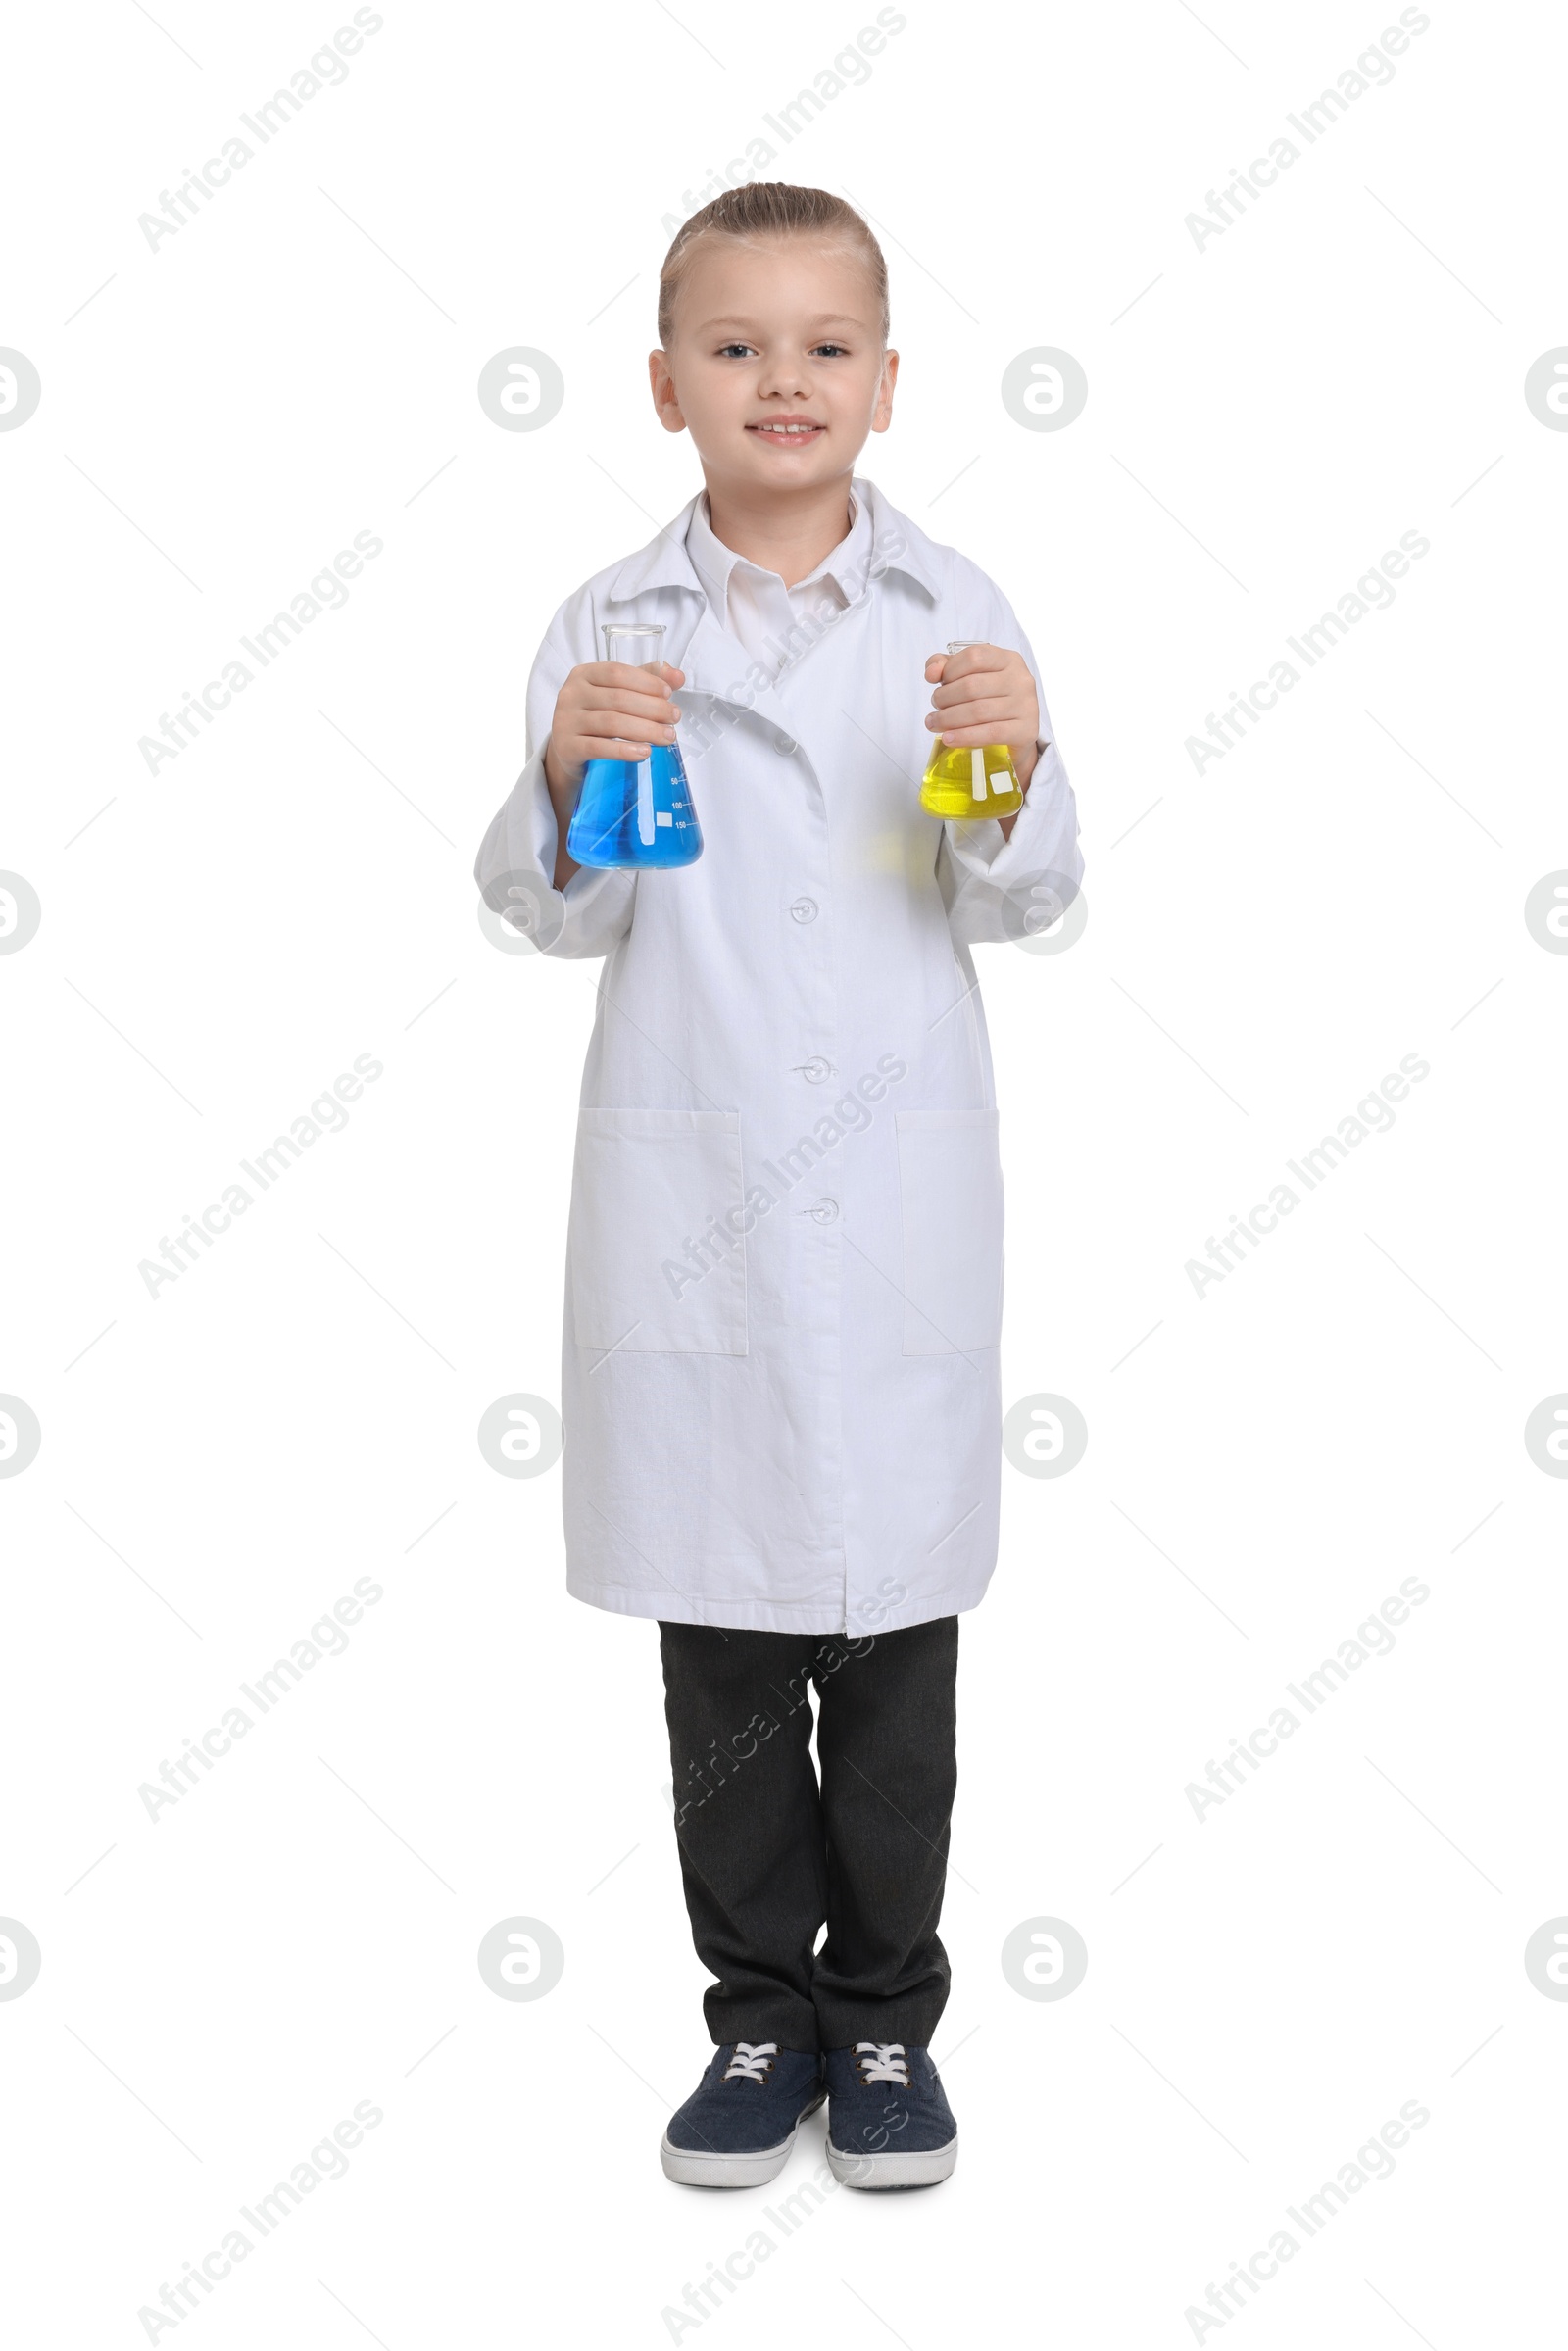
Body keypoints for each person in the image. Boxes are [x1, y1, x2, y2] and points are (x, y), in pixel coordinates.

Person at [473, 180, 1083, 2191]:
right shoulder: (611, 628)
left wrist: (1003, 758)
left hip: (895, 1211)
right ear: (665, 387)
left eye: (823, 345)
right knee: (724, 1658)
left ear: (887, 381)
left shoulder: (954, 617)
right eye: (733, 346)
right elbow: (558, 919)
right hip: (697, 1204)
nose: (781, 380)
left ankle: (884, 2028)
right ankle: (754, 2024)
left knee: (896, 1660)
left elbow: (1019, 896)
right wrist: (563, 775)